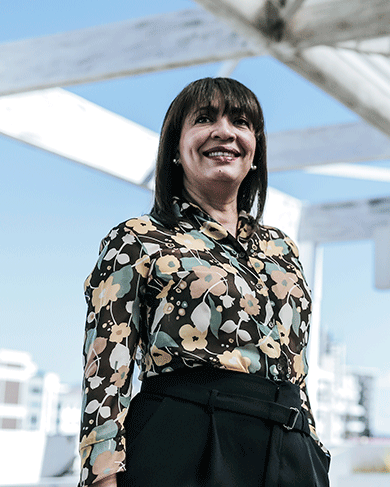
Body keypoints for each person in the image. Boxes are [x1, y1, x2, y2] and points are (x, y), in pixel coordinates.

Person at [79, 77, 330, 487]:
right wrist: (101, 475)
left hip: (290, 450)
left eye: (241, 122)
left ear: (255, 151)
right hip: (185, 445)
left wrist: (314, 452)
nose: (224, 131)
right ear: (175, 149)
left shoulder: (283, 249)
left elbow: (296, 369)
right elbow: (106, 369)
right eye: (204, 119)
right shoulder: (138, 239)